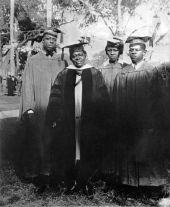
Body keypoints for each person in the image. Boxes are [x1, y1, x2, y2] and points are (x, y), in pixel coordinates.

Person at [46, 42, 109, 195]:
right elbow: (55, 95)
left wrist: (103, 118)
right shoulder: (64, 73)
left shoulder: (94, 73)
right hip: (69, 119)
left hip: (89, 118)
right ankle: (71, 181)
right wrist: (53, 116)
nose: (77, 58)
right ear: (71, 58)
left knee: (87, 147)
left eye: (80, 55)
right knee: (70, 149)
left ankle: (87, 181)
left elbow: (102, 97)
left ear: (85, 56)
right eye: (74, 56)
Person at [111, 36, 168, 198]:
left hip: (148, 122)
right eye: (131, 50)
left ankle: (152, 188)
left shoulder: (152, 71)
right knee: (129, 151)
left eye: (137, 50)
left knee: (149, 152)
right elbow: (116, 99)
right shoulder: (123, 72)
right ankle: (130, 187)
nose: (133, 53)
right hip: (127, 122)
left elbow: (161, 98)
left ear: (144, 52)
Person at [16, 27, 67, 193]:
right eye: (48, 39)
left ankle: (56, 177)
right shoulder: (33, 60)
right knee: (40, 143)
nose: (51, 42)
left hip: (58, 110)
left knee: (57, 142)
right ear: (42, 41)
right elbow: (27, 85)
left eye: (53, 39)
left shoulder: (62, 61)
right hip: (39, 109)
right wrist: (29, 108)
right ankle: (41, 178)